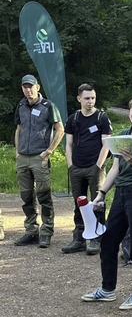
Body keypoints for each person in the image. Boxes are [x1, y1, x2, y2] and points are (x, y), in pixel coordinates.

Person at [81, 95, 132, 311]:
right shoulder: (123, 135)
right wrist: (101, 193)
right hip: (121, 194)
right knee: (108, 242)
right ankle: (108, 290)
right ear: (129, 111)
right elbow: (116, 168)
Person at [14, 74, 64, 248]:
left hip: (39, 157)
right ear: (22, 88)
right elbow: (19, 129)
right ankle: (31, 231)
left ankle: (47, 231)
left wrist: (49, 151)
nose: (28, 90)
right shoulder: (21, 105)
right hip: (23, 157)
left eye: (31, 87)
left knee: (44, 195)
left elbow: (60, 129)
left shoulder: (48, 106)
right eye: (25, 87)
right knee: (26, 196)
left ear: (38, 87)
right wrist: (17, 152)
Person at [62, 83, 113, 255]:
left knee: (97, 203)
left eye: (93, 98)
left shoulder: (102, 118)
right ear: (79, 99)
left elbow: (106, 144)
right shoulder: (73, 118)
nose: (90, 101)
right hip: (76, 167)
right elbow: (68, 144)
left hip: (95, 167)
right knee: (79, 204)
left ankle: (96, 239)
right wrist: (70, 165)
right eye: (87, 98)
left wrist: (98, 166)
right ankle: (79, 237)